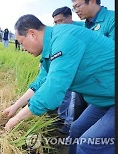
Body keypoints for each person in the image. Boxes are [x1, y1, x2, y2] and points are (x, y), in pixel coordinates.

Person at [3, 14, 114, 154]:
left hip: (111, 95)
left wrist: (18, 118)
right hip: (105, 98)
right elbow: (41, 82)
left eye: (22, 43)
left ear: (32, 34)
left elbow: (53, 89)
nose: (23, 48)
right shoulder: (51, 47)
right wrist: (15, 107)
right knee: (76, 129)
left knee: (89, 145)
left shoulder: (64, 40)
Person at [71, 0, 115, 121]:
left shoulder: (112, 19)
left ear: (92, 2)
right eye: (73, 8)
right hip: (89, 83)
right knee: (78, 125)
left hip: (107, 88)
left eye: (78, 6)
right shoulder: (86, 26)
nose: (76, 11)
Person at [51, 6, 84, 134]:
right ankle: (61, 116)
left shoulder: (83, 28)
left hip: (80, 68)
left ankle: (69, 122)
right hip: (64, 67)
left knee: (74, 97)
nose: (57, 24)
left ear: (69, 18)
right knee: (64, 93)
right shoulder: (56, 31)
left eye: (60, 21)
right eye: (55, 22)